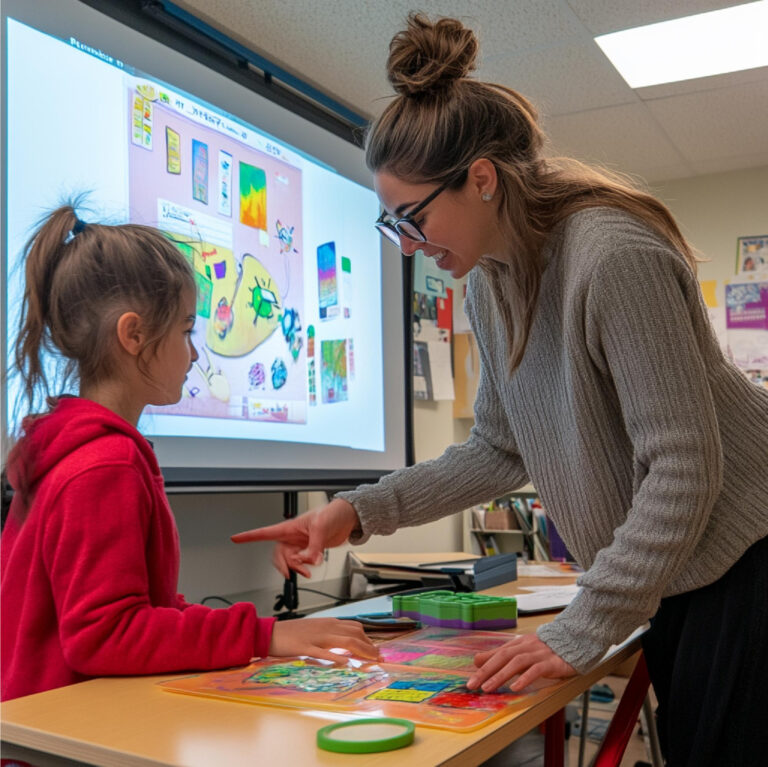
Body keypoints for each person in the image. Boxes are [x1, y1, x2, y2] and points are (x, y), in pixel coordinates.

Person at [231, 13, 768, 767]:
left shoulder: (612, 256)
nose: (409, 245)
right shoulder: (490, 284)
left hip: (748, 559)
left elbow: (684, 467)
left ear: (481, 178)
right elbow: (498, 448)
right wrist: (356, 511)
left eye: (412, 218)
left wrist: (582, 627)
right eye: (393, 226)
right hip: (690, 572)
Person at [0, 206, 376, 702]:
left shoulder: (85, 449)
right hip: (64, 736)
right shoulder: (103, 464)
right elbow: (106, 636)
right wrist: (263, 636)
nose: (196, 353)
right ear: (133, 335)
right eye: (185, 330)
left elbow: (147, 610)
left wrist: (263, 635)